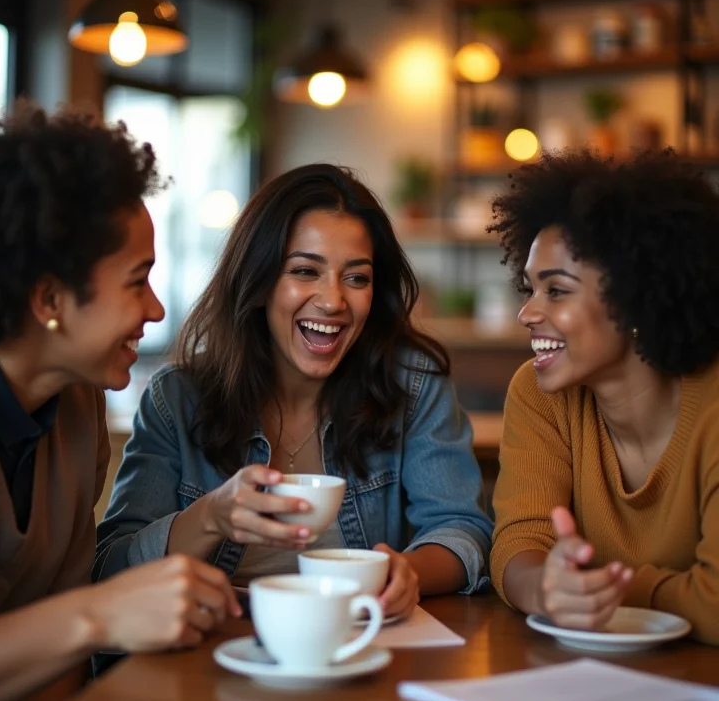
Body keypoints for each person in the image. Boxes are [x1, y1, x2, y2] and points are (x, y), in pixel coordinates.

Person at [0, 102, 239, 701]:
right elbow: (73, 622)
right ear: (49, 299)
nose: (158, 309)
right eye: (137, 282)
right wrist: (100, 614)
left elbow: (45, 664)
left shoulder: (77, 408)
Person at [95, 163, 493, 619]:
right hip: (207, 659)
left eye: (357, 277)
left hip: (362, 654)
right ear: (260, 280)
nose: (333, 300)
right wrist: (210, 517)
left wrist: (406, 572)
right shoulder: (178, 400)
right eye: (305, 271)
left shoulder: (412, 385)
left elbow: (462, 528)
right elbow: (113, 568)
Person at [487, 148, 719, 644]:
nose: (527, 313)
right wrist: (545, 588)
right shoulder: (539, 392)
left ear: (636, 298)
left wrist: (605, 589)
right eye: (529, 288)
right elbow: (519, 542)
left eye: (557, 291)